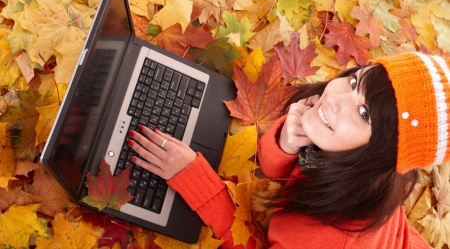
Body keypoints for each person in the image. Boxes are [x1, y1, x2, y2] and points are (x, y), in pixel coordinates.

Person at [125, 52, 443, 248]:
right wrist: (286, 145)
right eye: (355, 82)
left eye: (363, 114)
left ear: (383, 155)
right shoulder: (350, 164)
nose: (335, 100)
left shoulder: (329, 238)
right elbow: (280, 172)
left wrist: (199, 184)